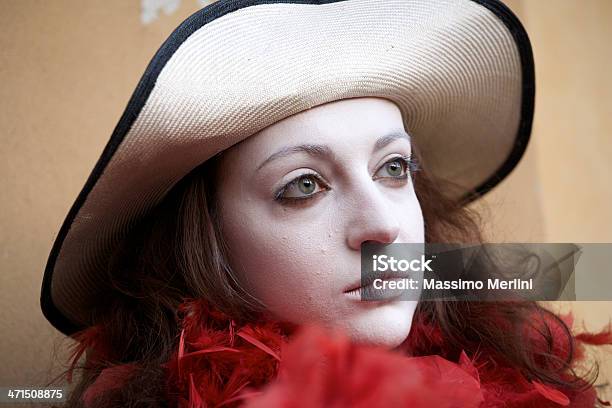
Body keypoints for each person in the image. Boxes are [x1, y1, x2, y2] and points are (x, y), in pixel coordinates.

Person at [41, 0, 611, 406]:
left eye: (393, 168)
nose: (382, 226)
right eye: (304, 185)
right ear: (206, 246)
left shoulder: (514, 369)